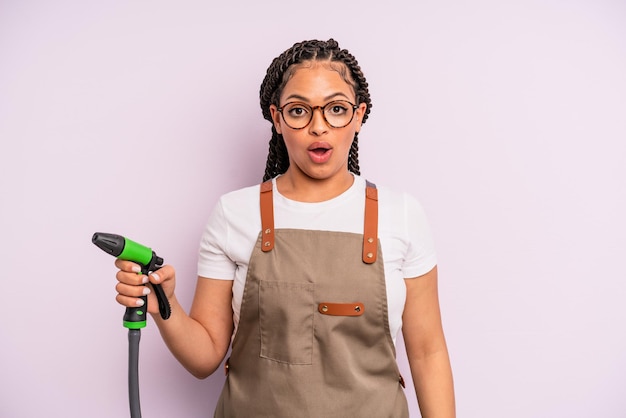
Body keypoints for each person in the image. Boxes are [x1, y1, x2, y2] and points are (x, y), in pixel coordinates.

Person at [114, 38, 455, 417]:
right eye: (299, 111)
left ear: (358, 116)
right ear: (277, 119)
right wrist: (166, 303)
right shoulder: (234, 213)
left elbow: (428, 353)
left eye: (336, 109)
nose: (318, 127)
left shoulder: (401, 214)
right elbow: (204, 357)